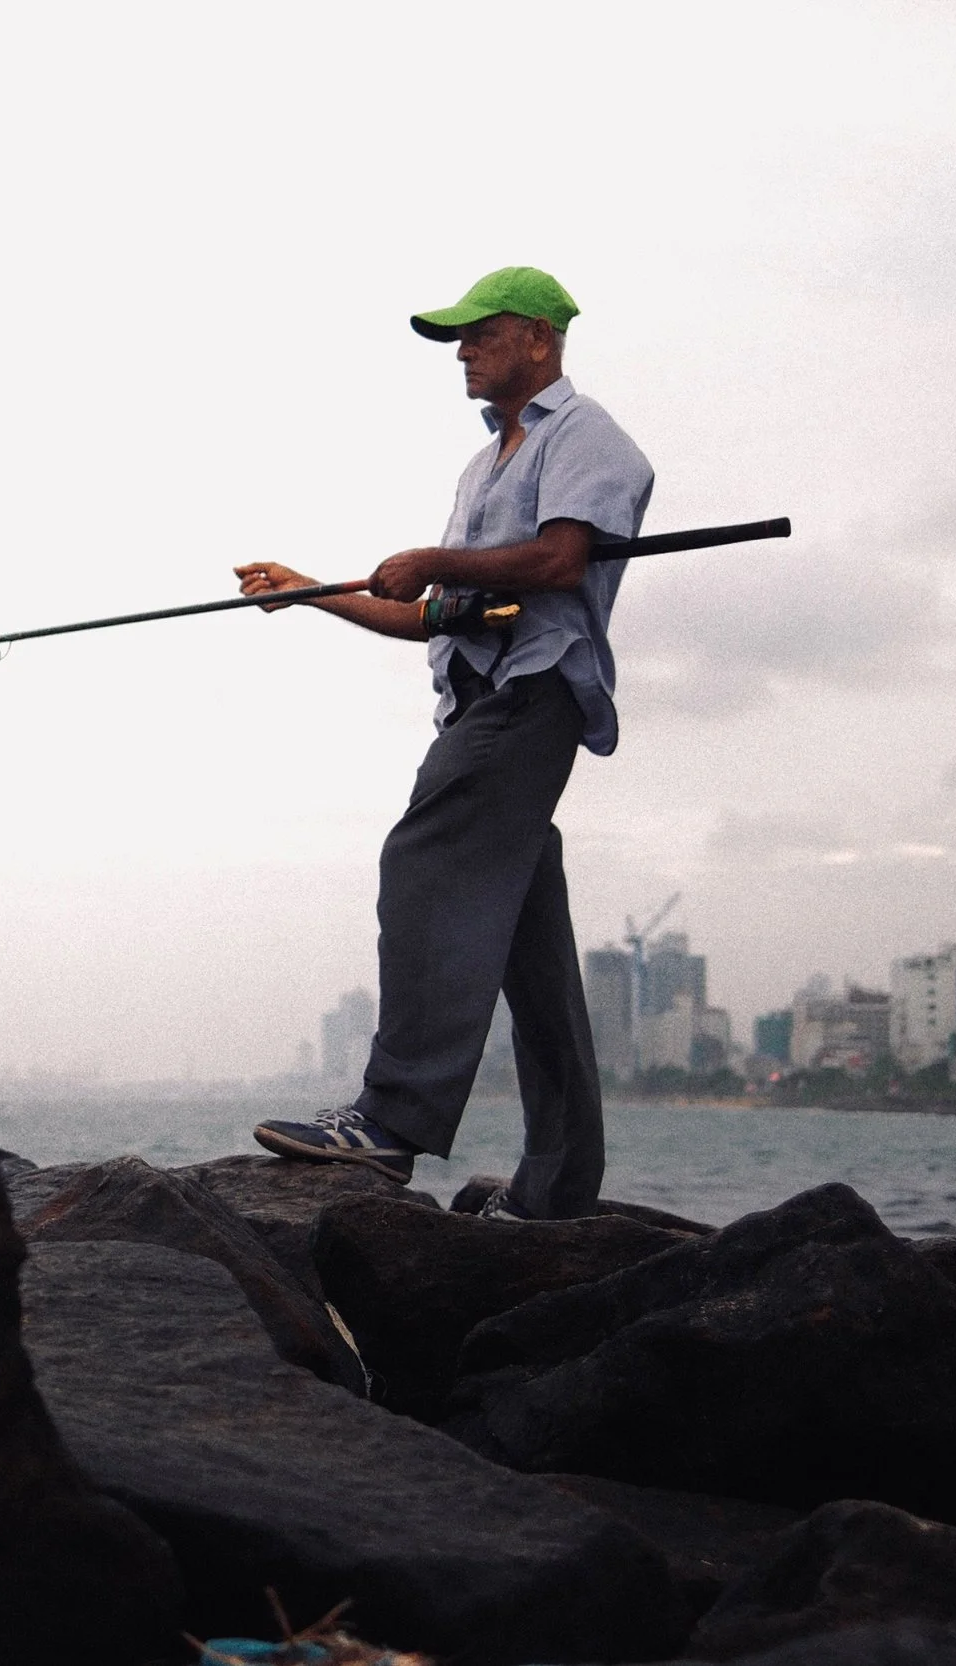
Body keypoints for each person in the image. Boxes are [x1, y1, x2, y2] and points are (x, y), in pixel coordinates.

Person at [236, 266, 653, 1220]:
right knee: (528, 941)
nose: (462, 351)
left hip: (532, 693)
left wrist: (434, 560)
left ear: (539, 340)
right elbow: (431, 616)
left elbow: (558, 560)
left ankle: (390, 1123)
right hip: (475, 699)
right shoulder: (482, 466)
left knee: (422, 858)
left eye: (480, 333)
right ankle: (560, 1184)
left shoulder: (587, 436)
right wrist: (309, 591)